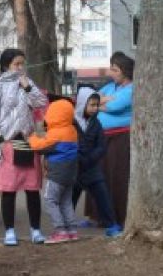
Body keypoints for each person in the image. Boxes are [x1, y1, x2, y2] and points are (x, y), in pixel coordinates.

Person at [0, 48, 49, 246]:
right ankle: (9, 231)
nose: (21, 67)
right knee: (9, 189)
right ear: (7, 65)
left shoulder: (27, 82)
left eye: (23, 63)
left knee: (32, 188)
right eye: (17, 64)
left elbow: (42, 103)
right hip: (7, 142)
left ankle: (36, 230)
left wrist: (28, 87)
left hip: (27, 140)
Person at [28, 99, 80, 244]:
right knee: (66, 201)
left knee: (50, 200)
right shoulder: (72, 131)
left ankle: (60, 231)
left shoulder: (55, 134)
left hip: (57, 174)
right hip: (71, 174)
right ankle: (72, 230)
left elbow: (37, 146)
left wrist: (34, 135)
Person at [72, 86, 122, 237]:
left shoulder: (96, 123)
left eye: (97, 105)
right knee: (70, 198)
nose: (95, 108)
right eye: (92, 105)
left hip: (92, 167)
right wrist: (79, 157)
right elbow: (69, 142)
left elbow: (101, 145)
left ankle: (111, 224)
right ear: (82, 104)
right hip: (75, 168)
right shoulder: (72, 122)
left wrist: (91, 158)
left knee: (102, 196)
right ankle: (65, 226)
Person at [95, 52, 135, 226]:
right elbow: (89, 100)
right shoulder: (111, 87)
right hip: (103, 138)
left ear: (125, 71)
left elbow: (113, 106)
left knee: (116, 176)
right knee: (101, 176)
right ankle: (102, 217)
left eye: (115, 70)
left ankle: (118, 217)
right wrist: (102, 100)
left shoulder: (131, 89)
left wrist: (100, 103)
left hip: (120, 139)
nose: (111, 73)